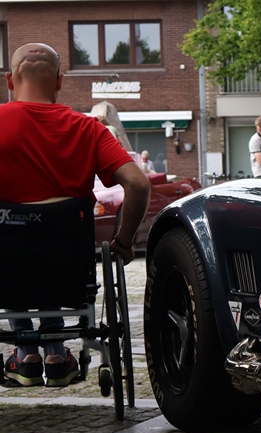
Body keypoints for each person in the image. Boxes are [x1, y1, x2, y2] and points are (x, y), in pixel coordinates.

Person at [0, 42, 151, 388]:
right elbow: (138, 184)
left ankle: (26, 353)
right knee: (52, 255)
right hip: (67, 267)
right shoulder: (89, 129)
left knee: (10, 250)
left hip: (5, 269)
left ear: (9, 80)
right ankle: (55, 352)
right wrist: (124, 242)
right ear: (59, 81)